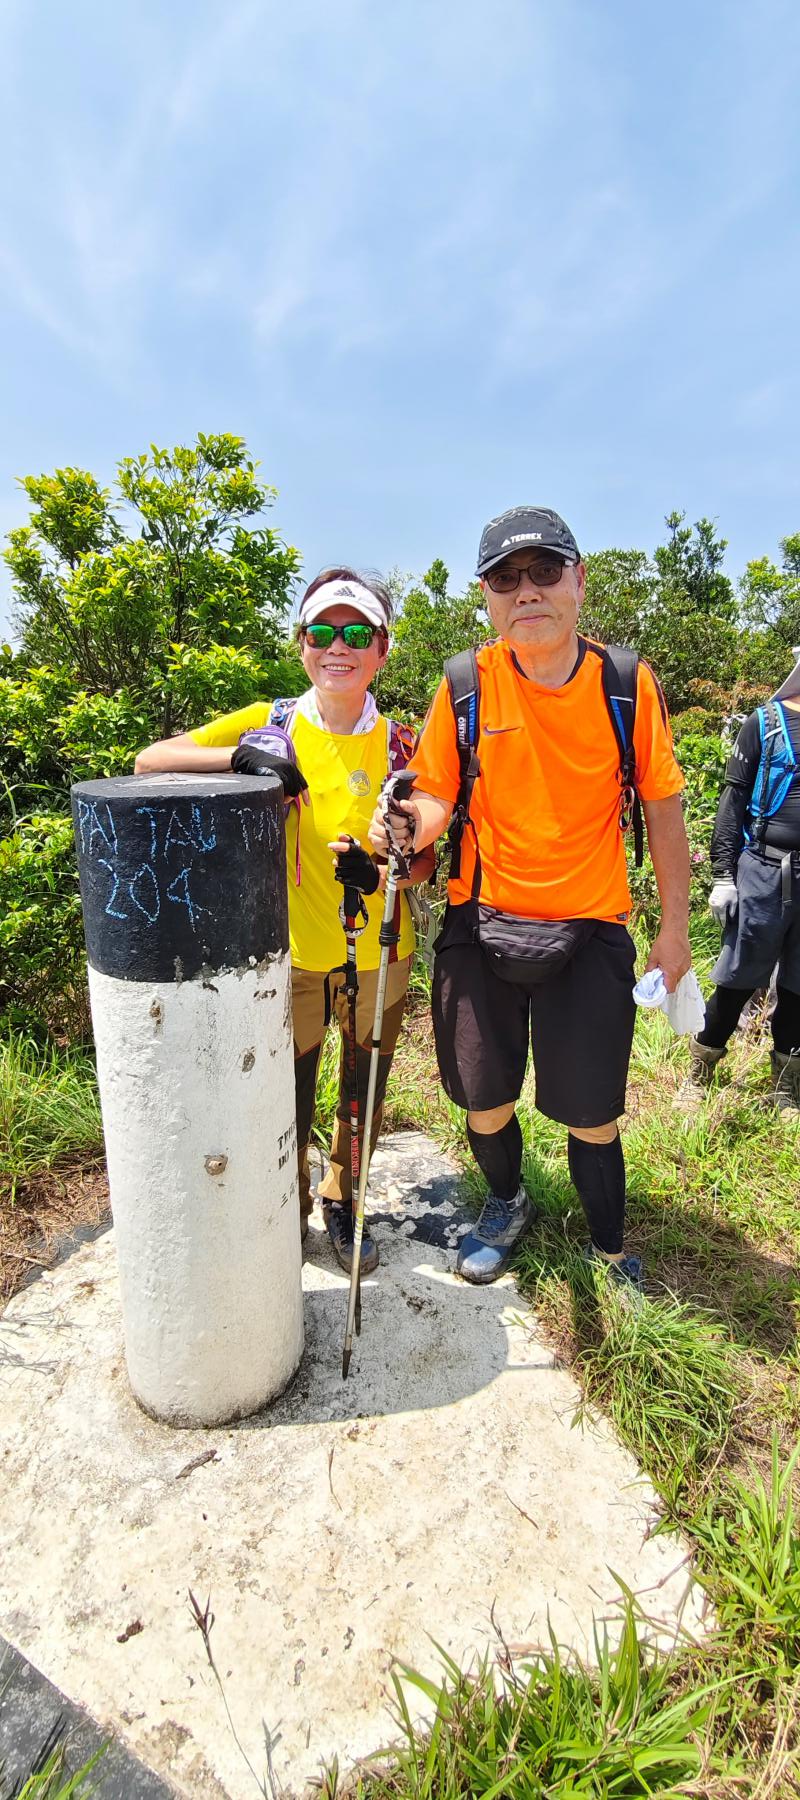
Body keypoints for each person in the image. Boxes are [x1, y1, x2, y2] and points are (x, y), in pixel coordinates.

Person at [370, 506, 690, 1291]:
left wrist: (675, 929)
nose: (527, 591)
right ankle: (507, 1201)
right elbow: (438, 794)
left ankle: (608, 1252)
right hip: (482, 922)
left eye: (545, 571)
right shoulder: (465, 685)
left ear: (579, 581)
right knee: (482, 1101)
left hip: (590, 925)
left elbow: (663, 807)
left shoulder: (624, 683)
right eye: (506, 578)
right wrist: (408, 824)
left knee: (593, 1114)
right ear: (487, 596)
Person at [134, 568, 434, 1271]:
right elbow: (151, 761)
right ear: (301, 644)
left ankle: (344, 1196)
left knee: (363, 1092)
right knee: (286, 1094)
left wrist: (384, 869)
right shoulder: (272, 724)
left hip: (380, 953)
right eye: (321, 632)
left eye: (356, 633)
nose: (338, 646)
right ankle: (287, 1203)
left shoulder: (405, 744)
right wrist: (241, 757)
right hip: (288, 957)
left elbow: (425, 860)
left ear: (382, 648)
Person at [681, 650, 800, 1119]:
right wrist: (722, 876)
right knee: (736, 978)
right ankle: (700, 1071)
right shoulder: (765, 724)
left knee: (798, 989)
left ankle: (785, 1087)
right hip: (764, 870)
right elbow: (732, 804)